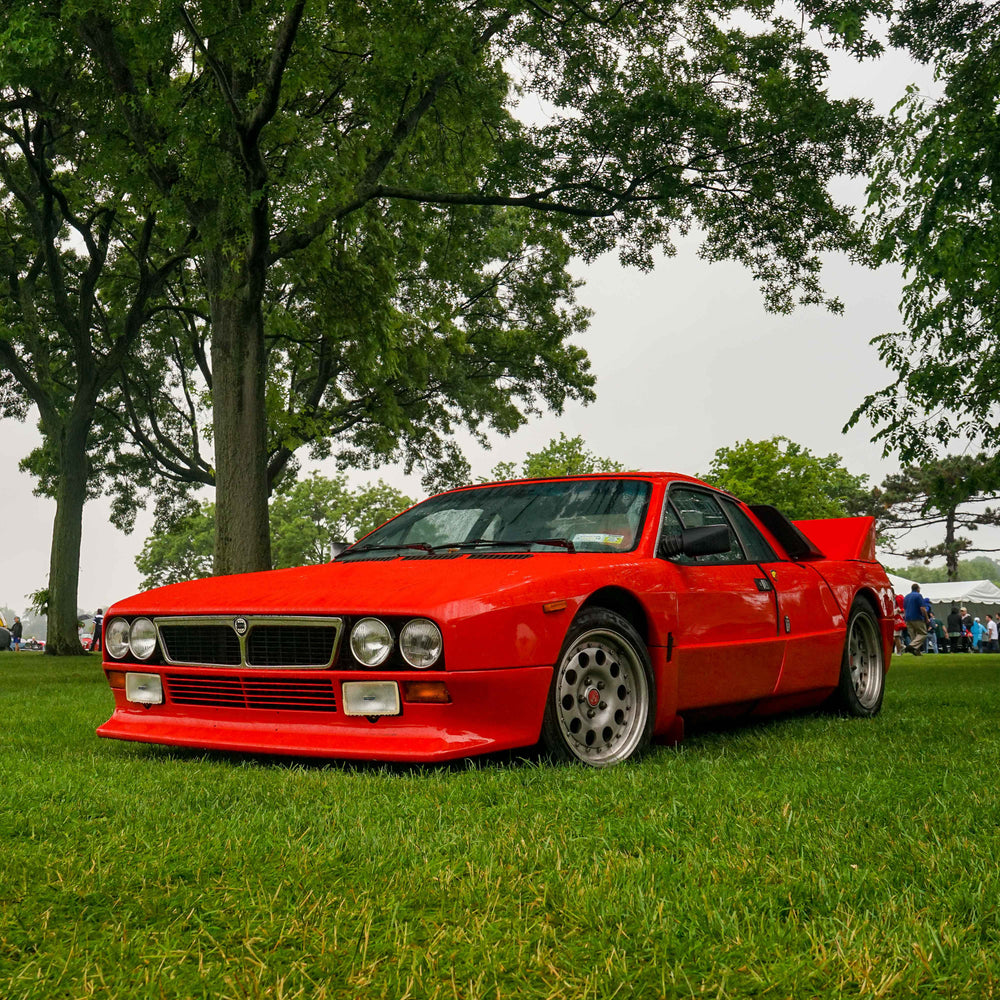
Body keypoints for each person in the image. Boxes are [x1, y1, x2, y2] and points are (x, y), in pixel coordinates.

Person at [903, 583, 929, 656]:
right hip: (917, 617)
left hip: (908, 618)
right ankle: (911, 646)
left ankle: (917, 652)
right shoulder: (918, 596)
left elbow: (905, 609)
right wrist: (926, 618)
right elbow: (922, 608)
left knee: (913, 636)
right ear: (918, 589)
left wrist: (905, 618)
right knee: (923, 633)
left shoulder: (906, 597)